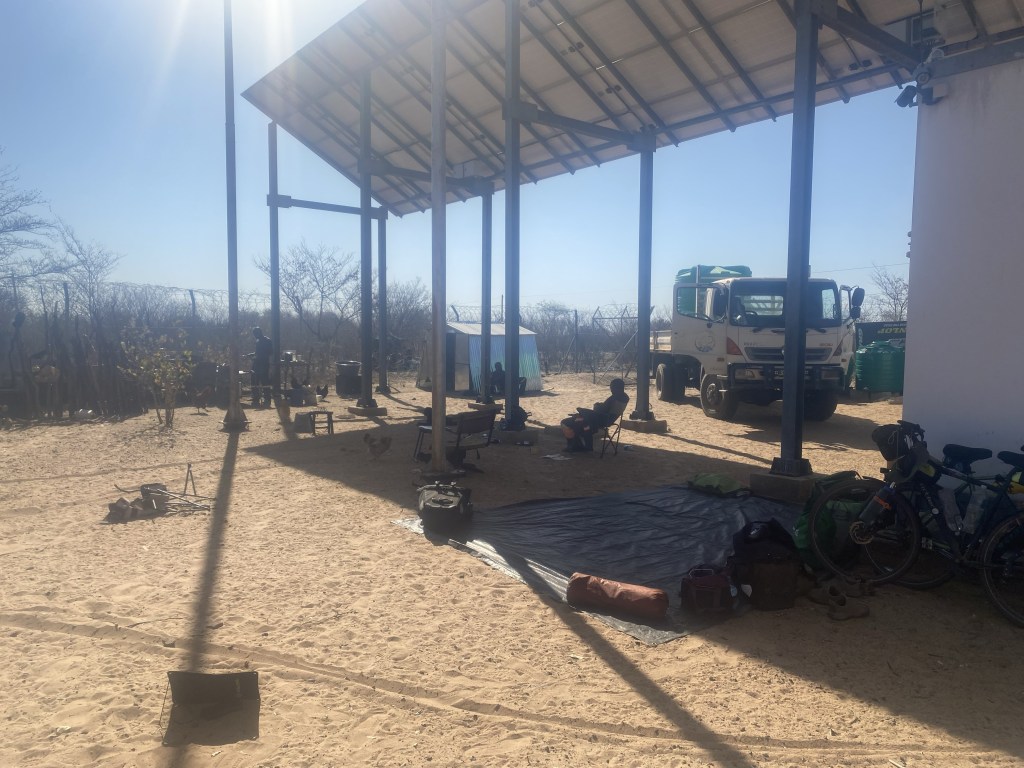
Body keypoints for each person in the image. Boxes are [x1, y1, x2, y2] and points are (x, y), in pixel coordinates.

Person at [560, 378, 629, 452]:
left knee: (567, 422)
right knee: (584, 423)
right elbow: (606, 409)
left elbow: (601, 410)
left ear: (617, 388)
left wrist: (596, 406)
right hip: (607, 420)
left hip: (600, 420)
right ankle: (585, 446)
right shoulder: (625, 398)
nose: (611, 390)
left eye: (612, 388)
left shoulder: (614, 398)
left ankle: (575, 445)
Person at [251, 327, 273, 407]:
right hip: (257, 363)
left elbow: (270, 352)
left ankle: (267, 399)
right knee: (254, 380)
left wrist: (261, 356)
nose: (255, 336)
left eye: (255, 334)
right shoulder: (257, 341)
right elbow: (257, 352)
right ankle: (256, 399)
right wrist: (252, 355)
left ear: (259, 333)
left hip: (264, 363)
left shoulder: (267, 340)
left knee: (265, 381)